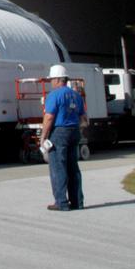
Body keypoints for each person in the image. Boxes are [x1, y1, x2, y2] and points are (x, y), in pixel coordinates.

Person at [40, 63, 88, 212]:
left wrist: (43, 137)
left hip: (59, 132)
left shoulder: (54, 95)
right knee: (73, 167)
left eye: (52, 79)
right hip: (74, 131)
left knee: (58, 167)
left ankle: (61, 202)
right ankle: (77, 201)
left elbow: (49, 118)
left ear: (57, 79)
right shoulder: (76, 95)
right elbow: (83, 119)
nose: (51, 82)